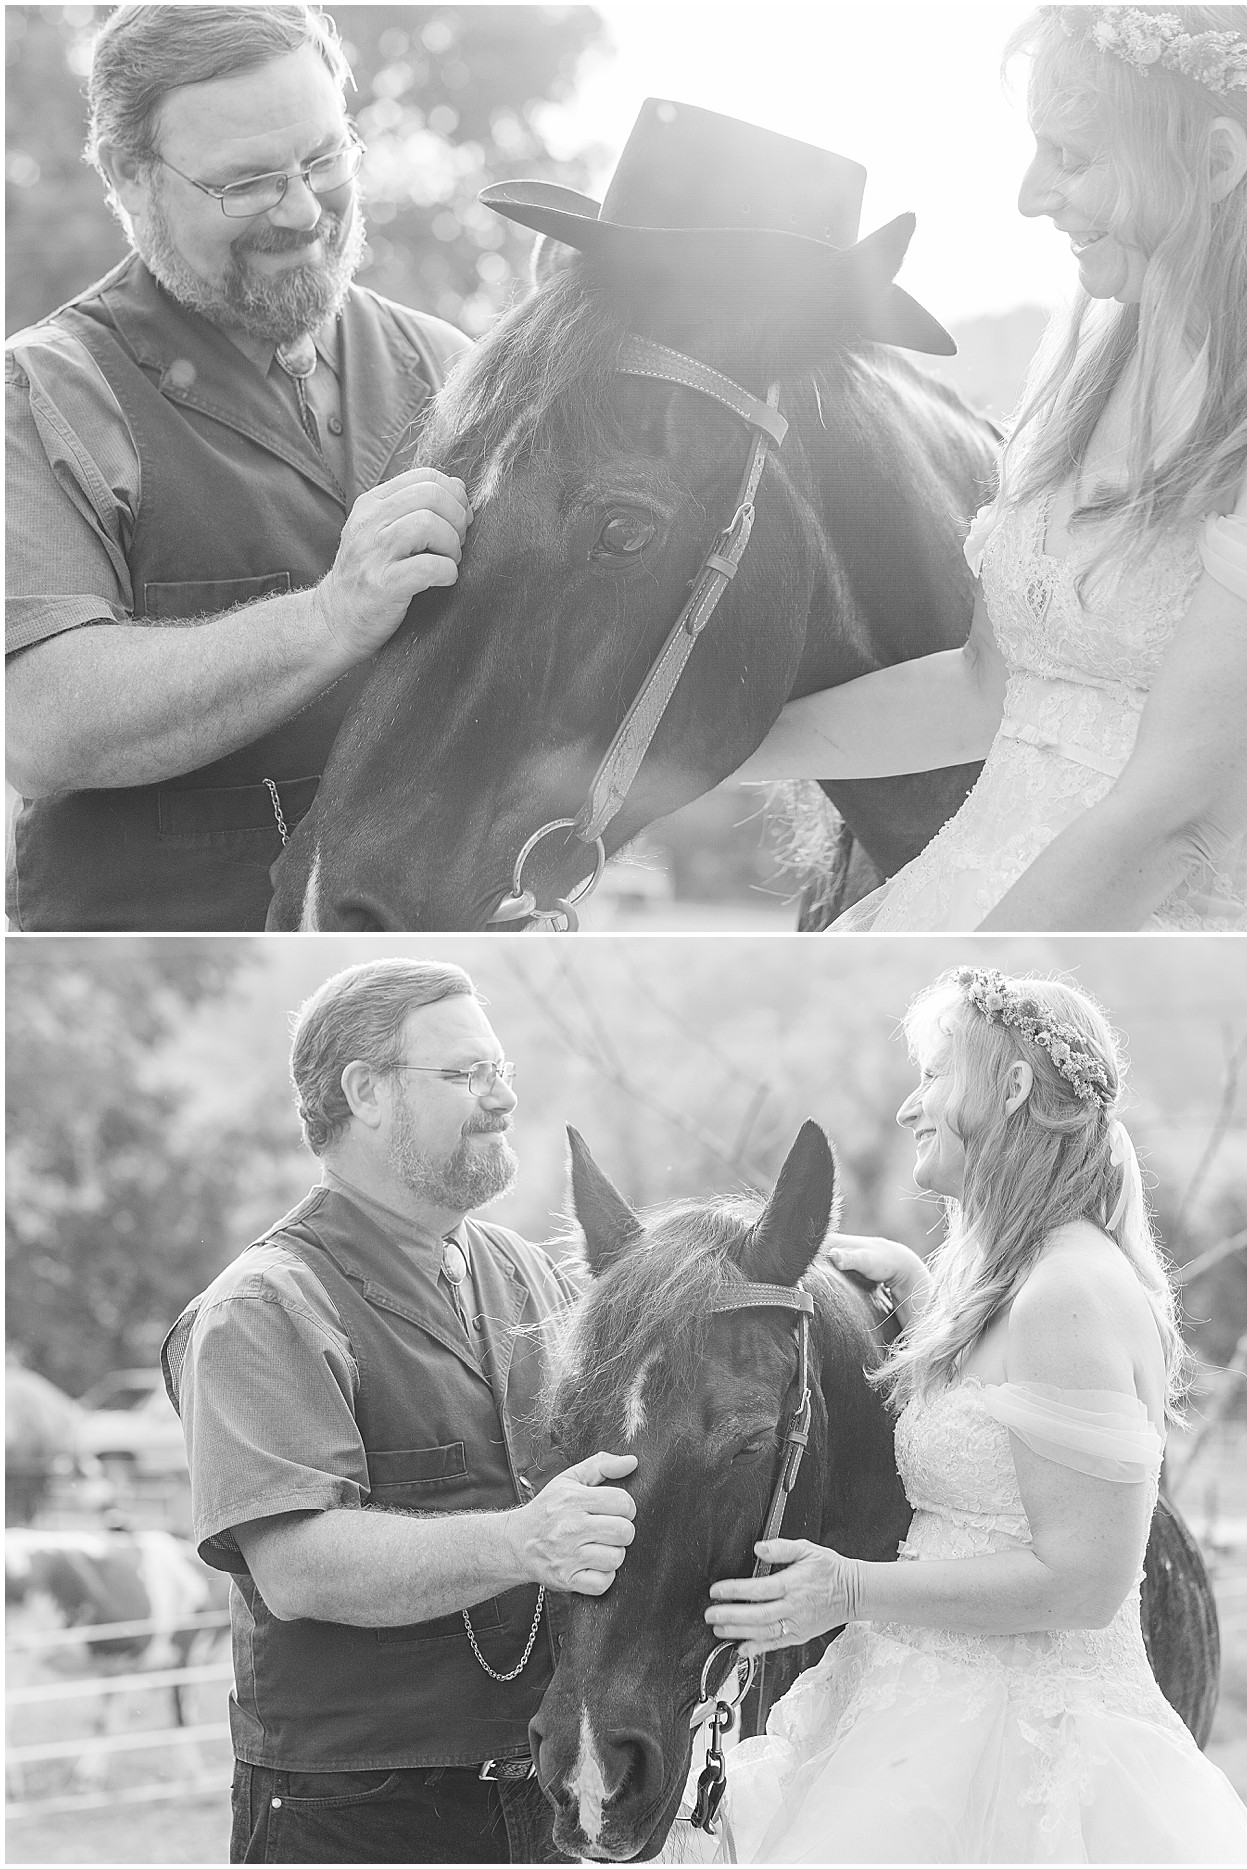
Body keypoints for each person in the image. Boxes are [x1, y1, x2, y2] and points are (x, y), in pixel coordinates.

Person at [736, 5, 1247, 932]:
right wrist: (692, 755)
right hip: (971, 902)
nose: (1030, 195)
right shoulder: (1095, 359)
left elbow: (1177, 824)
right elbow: (987, 692)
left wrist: (955, 997)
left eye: (1073, 156)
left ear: (1215, 162)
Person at [669, 963, 1247, 1862]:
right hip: (919, 1708)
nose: (913, 1106)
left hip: (1015, 1753)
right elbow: (993, 1443)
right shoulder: (1022, 1281)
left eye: (934, 1075)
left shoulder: (1069, 1291)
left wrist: (847, 1586)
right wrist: (920, 1294)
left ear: (1014, 1086)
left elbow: (1084, 1583)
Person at [6, 5, 474, 931]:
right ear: (129, 182)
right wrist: (330, 618)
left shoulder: (452, 369)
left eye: (325, 159)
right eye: (248, 183)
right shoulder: (43, 393)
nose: (302, 211)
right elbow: (41, 726)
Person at [162, 959, 638, 1863]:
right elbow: (299, 1565)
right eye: (465, 1074)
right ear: (365, 1092)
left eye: (499, 1070)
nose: (501, 1098)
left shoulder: (527, 1272)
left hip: (543, 1792)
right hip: (353, 1812)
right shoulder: (264, 1308)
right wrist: (521, 1542)